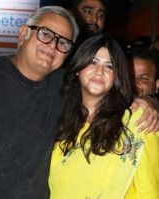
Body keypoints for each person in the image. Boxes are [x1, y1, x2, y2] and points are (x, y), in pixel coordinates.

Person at [0, 6, 158, 199]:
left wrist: (143, 101)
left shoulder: (137, 124)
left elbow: (149, 190)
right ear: (24, 32)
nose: (52, 45)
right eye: (45, 34)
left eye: (63, 43)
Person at [49, 33, 159, 198]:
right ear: (78, 68)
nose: (100, 71)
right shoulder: (63, 123)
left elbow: (150, 190)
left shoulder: (138, 120)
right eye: (93, 62)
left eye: (109, 66)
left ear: (117, 76)